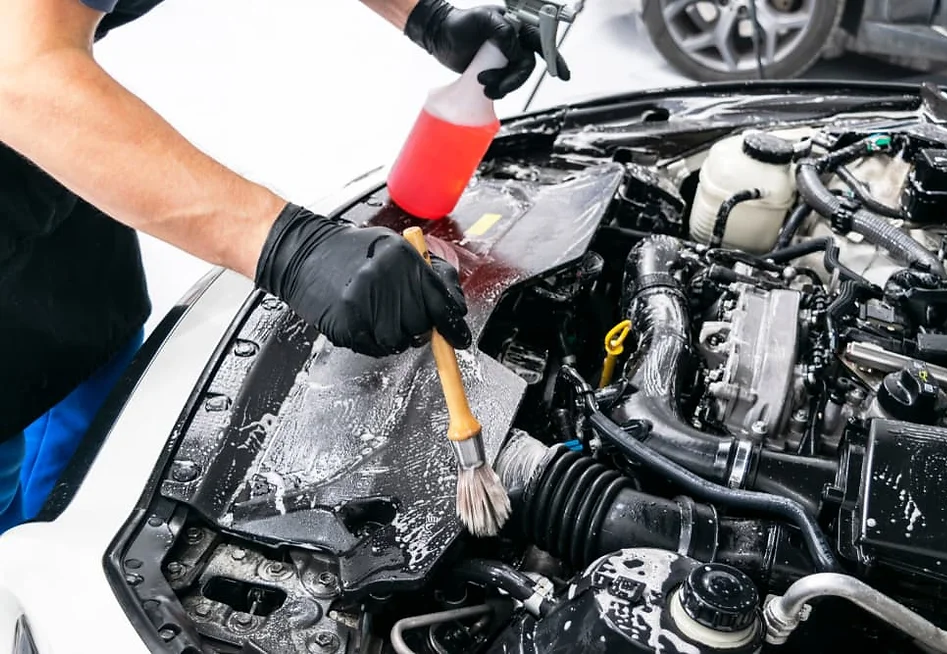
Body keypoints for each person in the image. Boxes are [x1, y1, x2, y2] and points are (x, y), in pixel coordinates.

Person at [0, 0, 570, 533]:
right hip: (32, 96)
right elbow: (20, 75)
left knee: (99, 403)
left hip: (52, 154)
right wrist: (289, 246)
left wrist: (424, 12)